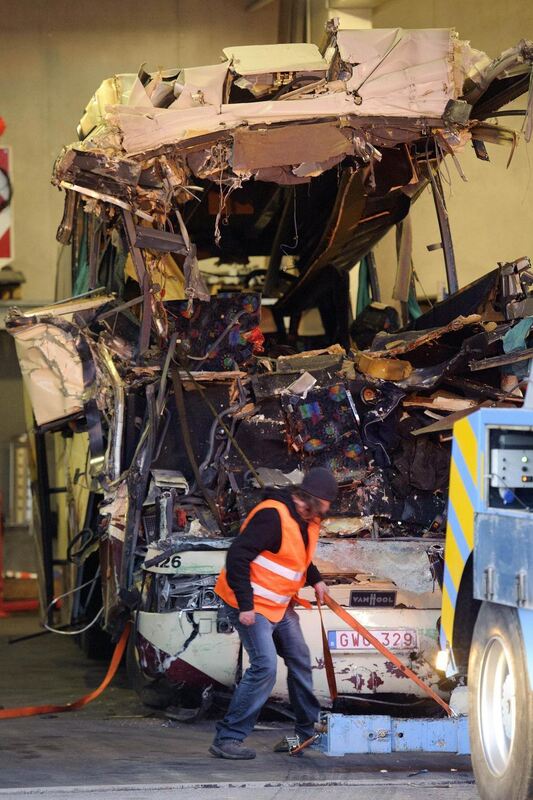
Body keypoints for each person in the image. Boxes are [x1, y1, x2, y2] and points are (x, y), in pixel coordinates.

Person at [210, 467, 338, 760]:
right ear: (310, 499)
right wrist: (245, 605)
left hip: (278, 606)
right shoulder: (272, 516)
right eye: (326, 505)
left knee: (300, 659)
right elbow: (237, 556)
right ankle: (227, 738)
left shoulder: (307, 519)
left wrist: (315, 578)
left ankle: (303, 737)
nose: (327, 511)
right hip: (250, 606)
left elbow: (297, 558)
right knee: (264, 666)